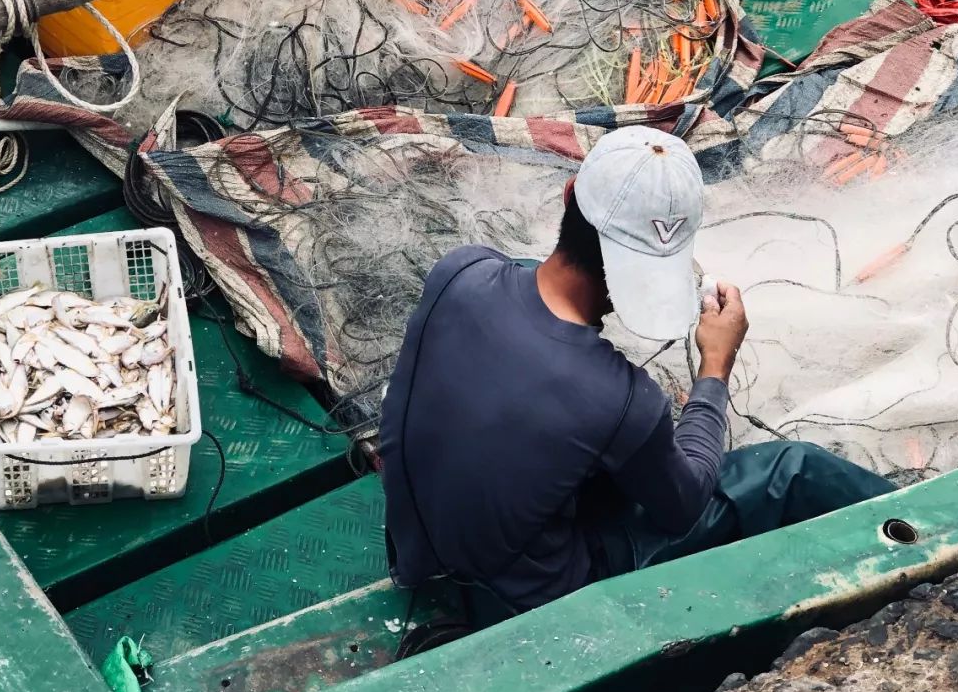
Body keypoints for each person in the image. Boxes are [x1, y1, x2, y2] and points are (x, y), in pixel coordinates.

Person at [379, 125, 893, 616]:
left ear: (569, 195)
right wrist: (714, 368)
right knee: (793, 469)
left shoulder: (461, 271)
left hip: (419, 558)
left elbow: (525, 310)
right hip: (526, 606)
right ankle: (940, 532)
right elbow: (684, 506)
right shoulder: (622, 398)